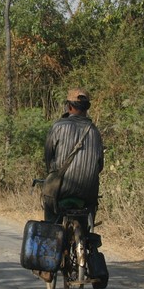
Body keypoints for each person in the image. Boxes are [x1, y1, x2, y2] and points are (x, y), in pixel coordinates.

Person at [43, 88, 104, 223]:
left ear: (69, 106)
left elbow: (48, 158)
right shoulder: (95, 131)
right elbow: (100, 166)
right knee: (90, 210)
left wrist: (53, 174)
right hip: (88, 192)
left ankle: (51, 236)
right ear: (87, 108)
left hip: (62, 189)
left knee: (48, 201)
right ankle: (87, 235)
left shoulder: (58, 126)